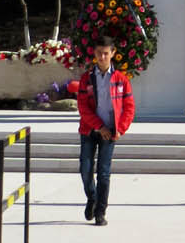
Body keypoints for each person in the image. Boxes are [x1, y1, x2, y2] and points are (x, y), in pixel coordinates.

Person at [77, 36, 135, 226]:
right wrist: (98, 126)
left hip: (110, 132)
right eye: (99, 53)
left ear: (112, 53)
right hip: (90, 130)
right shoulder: (87, 79)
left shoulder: (121, 80)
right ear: (94, 53)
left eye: (106, 53)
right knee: (85, 171)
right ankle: (92, 197)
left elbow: (129, 107)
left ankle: (101, 211)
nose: (102, 57)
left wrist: (120, 129)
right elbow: (83, 107)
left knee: (103, 172)